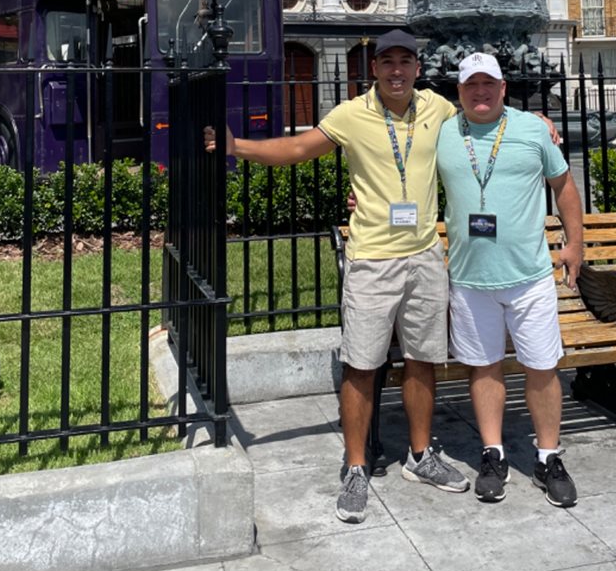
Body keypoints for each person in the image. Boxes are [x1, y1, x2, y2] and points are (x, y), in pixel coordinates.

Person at [208, 30, 470, 525]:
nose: (397, 70)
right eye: (387, 61)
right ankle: (355, 465)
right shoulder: (352, 114)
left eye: (406, 61)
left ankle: (420, 455)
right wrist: (237, 146)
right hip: (371, 259)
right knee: (361, 363)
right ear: (373, 69)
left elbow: (485, 121)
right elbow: (299, 149)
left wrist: (537, 120)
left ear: (418, 68)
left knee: (422, 360)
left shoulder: (437, 108)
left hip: (425, 256)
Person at [435, 52, 584, 507]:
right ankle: (493, 452)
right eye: (470, 85)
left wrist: (575, 244)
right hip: (469, 277)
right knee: (484, 367)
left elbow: (563, 186)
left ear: (503, 88)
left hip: (529, 276)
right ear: (458, 92)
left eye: (489, 84)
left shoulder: (534, 129)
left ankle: (547, 455)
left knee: (542, 367)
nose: (480, 92)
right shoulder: (443, 131)